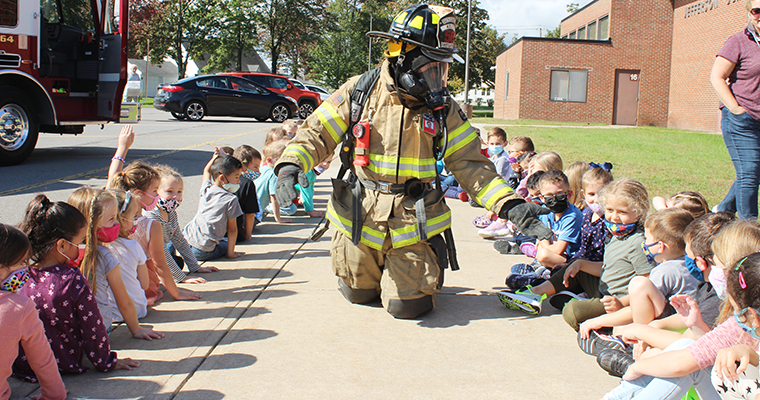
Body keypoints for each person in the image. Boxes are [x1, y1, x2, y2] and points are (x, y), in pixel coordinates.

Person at [274, 4, 551, 319]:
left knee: (408, 308)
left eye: (442, 68)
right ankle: (373, 274)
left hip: (412, 220)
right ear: (402, 59)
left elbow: (472, 166)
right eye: (431, 66)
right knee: (359, 295)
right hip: (359, 215)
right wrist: (290, 167)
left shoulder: (444, 109)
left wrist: (512, 206)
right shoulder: (359, 92)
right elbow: (316, 133)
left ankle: (416, 274)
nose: (438, 77)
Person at [603, 230, 760, 400]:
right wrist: (696, 324)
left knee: (682, 363)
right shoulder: (739, 323)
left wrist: (636, 367)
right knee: (684, 352)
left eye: (717, 265)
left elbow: (680, 364)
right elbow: (703, 349)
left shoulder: (738, 324)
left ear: (752, 316)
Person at [14, 195, 139, 381]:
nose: (82, 247)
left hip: (23, 365)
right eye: (80, 241)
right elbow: (92, 326)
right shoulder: (71, 279)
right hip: (63, 361)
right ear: (62, 245)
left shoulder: (19, 275)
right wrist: (106, 361)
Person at [596, 212, 734, 378]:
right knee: (638, 339)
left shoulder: (718, 298)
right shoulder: (708, 285)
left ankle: (635, 365)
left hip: (703, 366)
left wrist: (642, 332)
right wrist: (653, 328)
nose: (686, 260)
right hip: (689, 342)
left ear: (701, 262)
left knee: (652, 356)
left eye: (688, 254)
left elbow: (688, 344)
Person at [498, 178, 652, 319]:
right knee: (577, 263)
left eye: (622, 212)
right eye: (610, 210)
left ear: (639, 211)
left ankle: (580, 302)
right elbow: (609, 269)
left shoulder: (638, 243)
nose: (614, 217)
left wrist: (621, 302)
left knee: (572, 312)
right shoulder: (616, 234)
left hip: (616, 301)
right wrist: (582, 265)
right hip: (602, 288)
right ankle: (534, 293)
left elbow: (646, 285)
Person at [577, 208, 697, 342]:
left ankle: (637, 343)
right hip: (686, 323)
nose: (644, 243)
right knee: (619, 328)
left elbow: (637, 308)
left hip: (667, 326)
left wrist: (598, 321)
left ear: (660, 247)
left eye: (647, 239)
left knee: (638, 287)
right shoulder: (689, 264)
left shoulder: (666, 271)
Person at [68, 187, 164, 339]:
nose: (116, 224)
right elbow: (124, 301)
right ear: (91, 224)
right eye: (112, 219)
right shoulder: (106, 255)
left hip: (71, 332)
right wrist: (137, 330)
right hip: (99, 331)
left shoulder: (66, 251)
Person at [0, 224, 67, 400]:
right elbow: (42, 360)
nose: (26, 269)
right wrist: (54, 395)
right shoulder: (19, 307)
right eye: (21, 263)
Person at [710, 0, 760, 220]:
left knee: (753, 172)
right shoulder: (737, 41)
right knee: (749, 174)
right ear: (749, 12)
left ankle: (724, 209)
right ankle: (750, 232)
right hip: (742, 119)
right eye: (758, 10)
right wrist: (735, 108)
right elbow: (717, 77)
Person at [183, 152, 245, 261]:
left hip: (184, 243)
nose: (238, 181)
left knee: (221, 241)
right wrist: (231, 254)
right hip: (201, 251)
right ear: (222, 177)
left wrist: (214, 158)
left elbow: (206, 171)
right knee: (225, 244)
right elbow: (232, 230)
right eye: (236, 177)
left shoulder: (206, 189)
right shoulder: (231, 199)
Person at [108, 189, 150, 321]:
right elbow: (144, 284)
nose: (136, 220)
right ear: (122, 219)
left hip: (110, 313)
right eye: (134, 217)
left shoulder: (100, 248)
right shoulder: (133, 246)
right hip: (138, 310)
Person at [256, 140, 293, 224]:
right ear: (269, 160)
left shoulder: (261, 169)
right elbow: (274, 198)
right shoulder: (274, 175)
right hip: (256, 213)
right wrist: (278, 219)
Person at [232, 145, 262, 241]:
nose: (258, 171)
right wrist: (247, 235)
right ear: (242, 165)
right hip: (237, 231)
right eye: (255, 167)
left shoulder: (225, 179)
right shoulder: (248, 184)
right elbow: (250, 214)